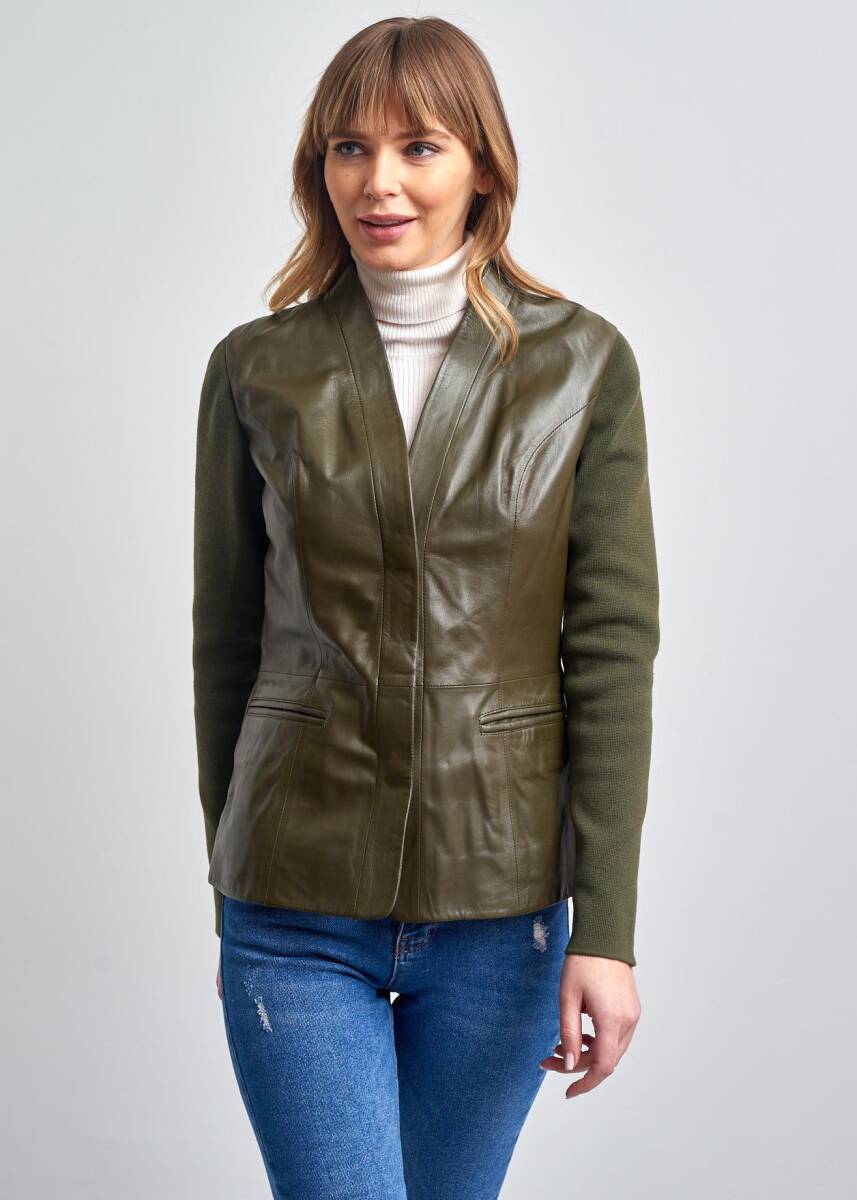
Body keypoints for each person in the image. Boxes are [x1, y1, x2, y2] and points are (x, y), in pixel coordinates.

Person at [192, 15, 660, 1200]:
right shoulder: (256, 369)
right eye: (348, 149)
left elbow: (609, 651)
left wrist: (604, 929)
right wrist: (233, 858)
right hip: (293, 906)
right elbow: (225, 639)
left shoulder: (580, 366)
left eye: (418, 147)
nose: (378, 182)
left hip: (502, 902)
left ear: (482, 166)